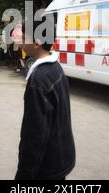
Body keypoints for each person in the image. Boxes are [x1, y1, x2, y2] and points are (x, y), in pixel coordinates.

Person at [15, 21, 76, 180]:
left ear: (37, 43)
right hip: (61, 157)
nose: (20, 42)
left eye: (23, 38)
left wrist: (24, 175)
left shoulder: (38, 79)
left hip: (47, 167)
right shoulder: (56, 67)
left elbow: (35, 136)